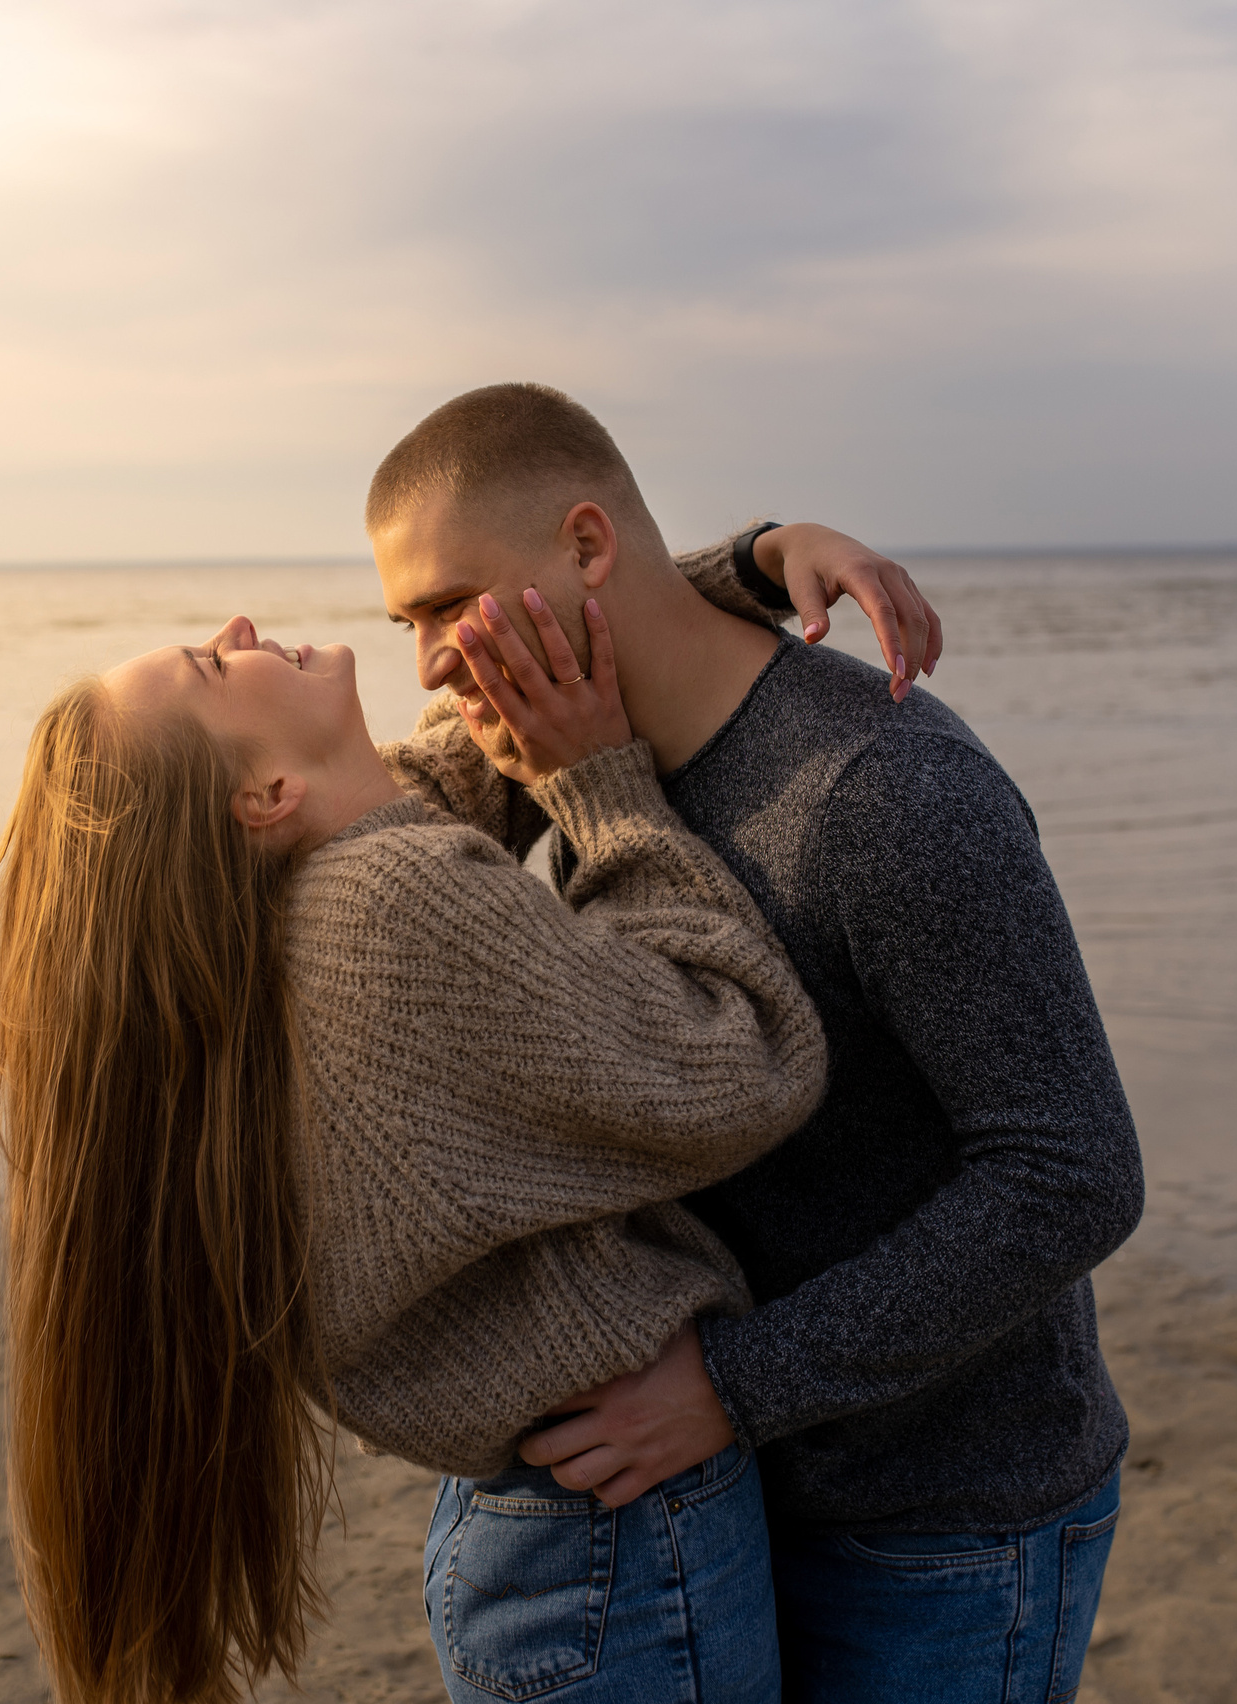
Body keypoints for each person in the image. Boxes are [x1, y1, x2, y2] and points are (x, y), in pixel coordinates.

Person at [0, 555, 912, 1700]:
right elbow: (742, 1063)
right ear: (262, 800)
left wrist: (729, 566)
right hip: (618, 1538)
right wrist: (606, 790)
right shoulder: (390, 905)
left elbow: (471, 745)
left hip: (549, 1523)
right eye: (213, 663)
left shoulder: (300, 900)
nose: (240, 621)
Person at [366, 383, 1146, 1704]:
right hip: (731, 1500)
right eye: (407, 624)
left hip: (949, 1523)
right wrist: (765, 552)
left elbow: (1069, 1175)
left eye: (449, 604)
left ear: (589, 546)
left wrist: (729, 1383)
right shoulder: (577, 745)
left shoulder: (889, 793)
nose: (433, 662)